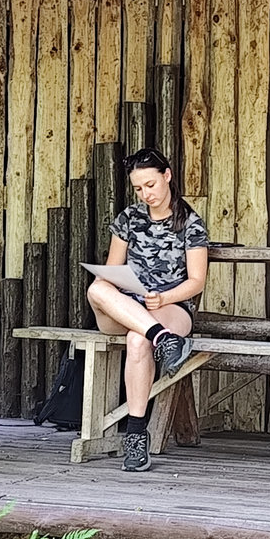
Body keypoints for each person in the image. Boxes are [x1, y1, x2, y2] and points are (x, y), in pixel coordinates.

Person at [88, 147, 209, 473]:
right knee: (96, 288)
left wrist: (165, 297)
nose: (146, 194)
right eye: (139, 188)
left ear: (167, 175)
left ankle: (136, 435)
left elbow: (197, 281)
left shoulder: (191, 223)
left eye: (151, 185)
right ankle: (163, 339)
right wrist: (118, 285)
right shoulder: (129, 218)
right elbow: (111, 271)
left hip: (170, 306)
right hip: (129, 305)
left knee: (137, 340)